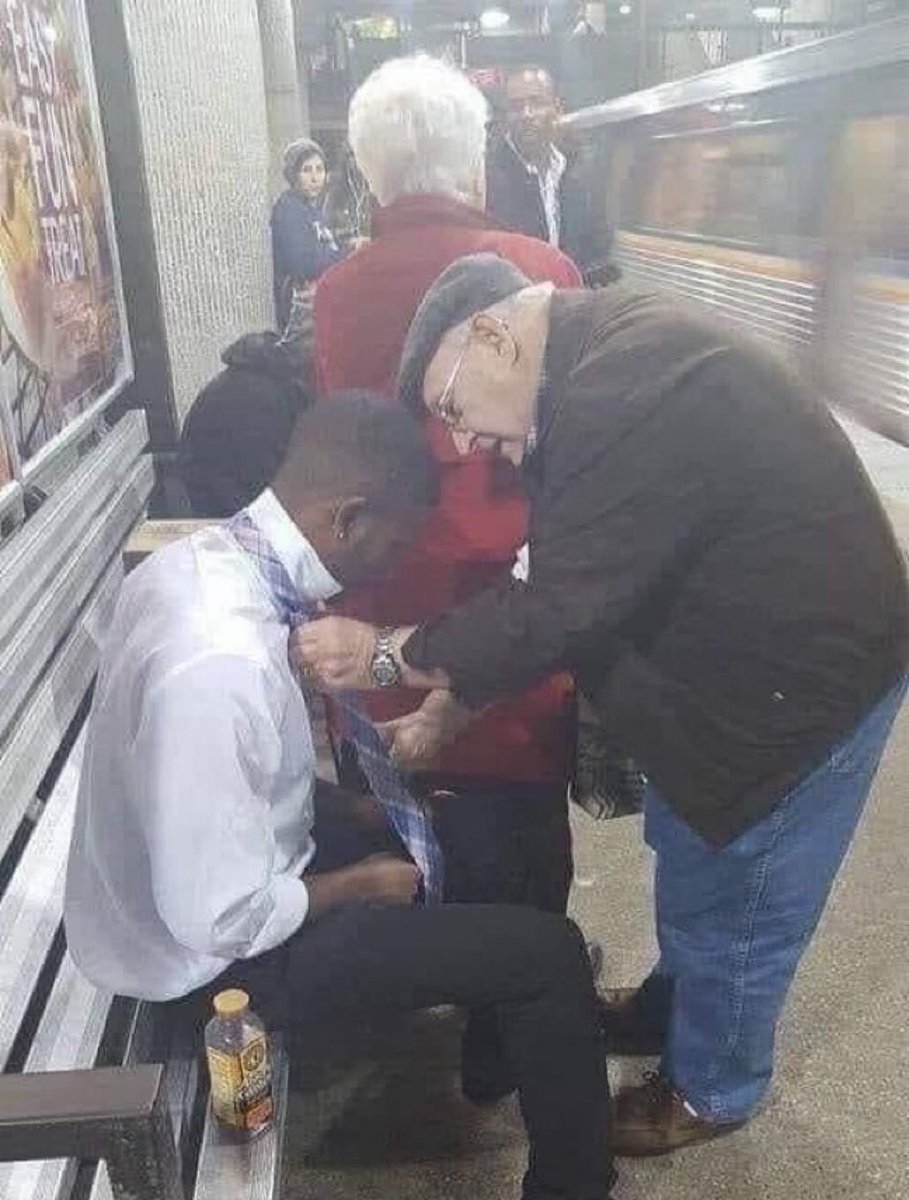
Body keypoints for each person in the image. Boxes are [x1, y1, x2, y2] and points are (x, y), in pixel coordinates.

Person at [294, 255, 909, 1158]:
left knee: (743, 893)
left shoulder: (627, 387)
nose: (463, 444)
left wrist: (389, 651)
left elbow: (560, 606)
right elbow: (559, 579)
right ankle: (675, 1002)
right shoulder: (591, 372)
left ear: (495, 336)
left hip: (798, 689)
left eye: (454, 411)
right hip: (724, 672)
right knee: (689, 849)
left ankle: (713, 1087)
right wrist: (450, 707)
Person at [64, 394, 616, 1200]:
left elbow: (236, 783)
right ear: (349, 518)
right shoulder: (219, 666)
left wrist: (352, 809)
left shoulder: (208, 562)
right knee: (550, 954)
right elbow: (214, 918)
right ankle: (573, 1178)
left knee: (467, 832)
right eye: (397, 539)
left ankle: (503, 1041)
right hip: (214, 970)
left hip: (231, 876)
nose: (398, 563)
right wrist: (357, 885)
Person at [314, 56, 583, 1102]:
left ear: (372, 173)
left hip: (382, 623)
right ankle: (502, 1041)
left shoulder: (337, 291)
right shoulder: (542, 264)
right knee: (523, 833)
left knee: (414, 816)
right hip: (510, 612)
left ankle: (425, 987)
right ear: (472, 159)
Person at [486, 67, 613, 283]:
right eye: (516, 107)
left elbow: (596, 250)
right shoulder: (489, 179)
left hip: (572, 306)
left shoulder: (578, 175)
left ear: (556, 107)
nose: (526, 114)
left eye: (536, 103)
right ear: (506, 116)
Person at [178, 330, 312, 517]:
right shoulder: (265, 399)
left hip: (212, 497)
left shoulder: (249, 381)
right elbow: (262, 484)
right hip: (232, 506)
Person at [271, 137, 347, 328]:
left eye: (319, 170)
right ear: (294, 174)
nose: (315, 178)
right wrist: (347, 255)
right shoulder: (288, 208)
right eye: (306, 170)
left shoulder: (312, 210)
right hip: (300, 315)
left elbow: (324, 248)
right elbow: (304, 262)